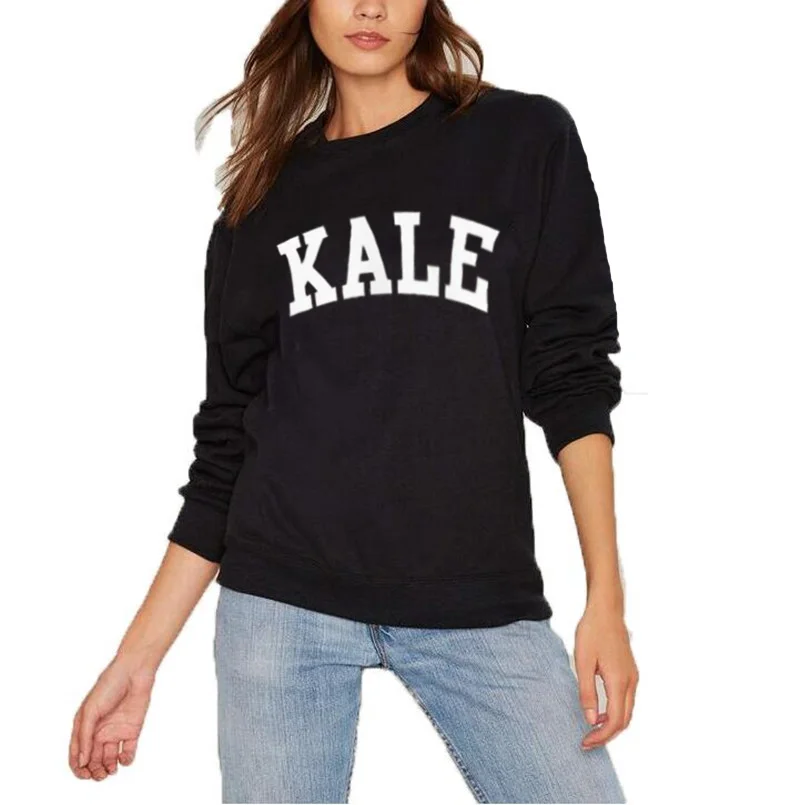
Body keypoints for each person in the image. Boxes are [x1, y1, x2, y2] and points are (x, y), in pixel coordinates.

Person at [68, 1, 638, 802]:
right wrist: (137, 660)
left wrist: (605, 597)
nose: (369, 7)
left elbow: (572, 374)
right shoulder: (260, 202)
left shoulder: (521, 140)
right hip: (282, 605)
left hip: (478, 594)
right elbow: (227, 446)